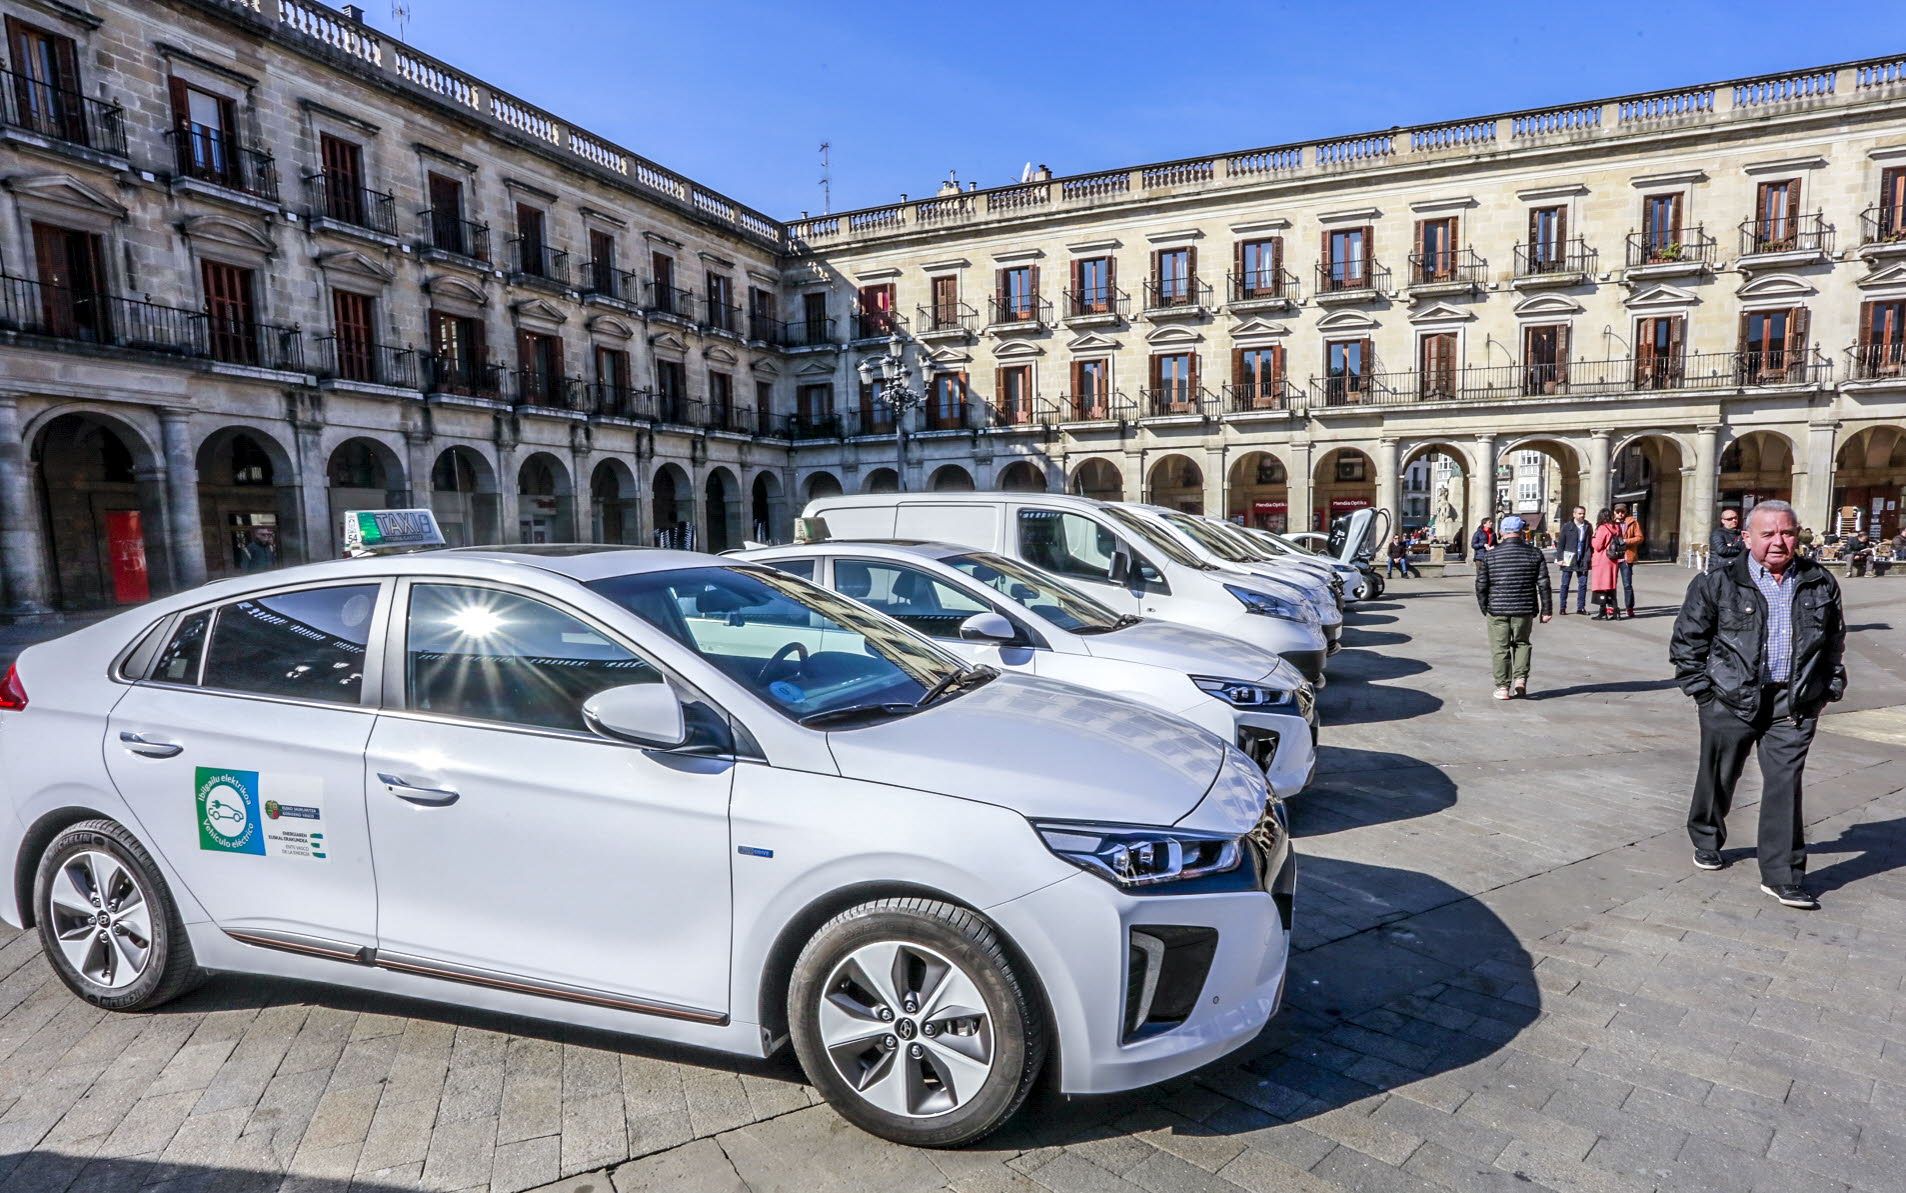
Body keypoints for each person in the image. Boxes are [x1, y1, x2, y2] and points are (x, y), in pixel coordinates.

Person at [1670, 500, 1846, 911]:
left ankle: (1782, 875)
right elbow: (1687, 642)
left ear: (1797, 534)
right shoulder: (1717, 583)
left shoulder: (1818, 581)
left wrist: (1829, 687)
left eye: (1786, 532)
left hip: (1794, 702)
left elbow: (1834, 640)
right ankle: (1707, 837)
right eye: (1767, 534)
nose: (1778, 542)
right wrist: (1703, 693)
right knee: (1719, 775)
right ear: (1746, 538)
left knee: (1786, 787)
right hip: (1730, 699)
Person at [1475, 514, 1553, 700]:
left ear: (1502, 532)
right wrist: (1547, 610)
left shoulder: (1490, 555)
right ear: (1521, 532)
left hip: (1497, 608)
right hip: (1524, 608)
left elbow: (1481, 585)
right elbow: (1543, 583)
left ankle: (1502, 687)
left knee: (1500, 648)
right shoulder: (1535, 553)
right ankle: (1520, 680)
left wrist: (1485, 607)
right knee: (1522, 643)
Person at [1554, 505, 1594, 614]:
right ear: (1574, 514)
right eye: (1580, 513)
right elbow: (1561, 544)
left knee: (1583, 584)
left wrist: (1589, 556)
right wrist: (1559, 558)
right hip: (1569, 558)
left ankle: (1580, 607)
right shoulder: (1567, 527)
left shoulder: (1587, 526)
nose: (1582, 515)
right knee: (1565, 584)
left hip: (1583, 558)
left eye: (1583, 513)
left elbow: (1590, 543)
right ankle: (1563, 607)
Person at [1589, 508, 1621, 620]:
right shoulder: (1616, 527)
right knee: (1611, 586)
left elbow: (1597, 546)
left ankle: (1602, 611)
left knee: (1601, 587)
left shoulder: (1602, 528)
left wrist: (1592, 538)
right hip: (1613, 560)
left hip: (1602, 560)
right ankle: (1615, 610)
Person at [1614, 503, 1643, 617]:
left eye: (1622, 512)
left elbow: (1640, 537)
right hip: (1613, 557)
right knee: (1612, 585)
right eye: (1618, 512)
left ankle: (1629, 607)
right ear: (1614, 512)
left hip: (1626, 557)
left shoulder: (1632, 522)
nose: (1620, 514)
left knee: (1627, 584)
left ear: (1626, 512)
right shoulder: (1610, 523)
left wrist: (1626, 541)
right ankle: (1611, 606)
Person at [1707, 508, 1744, 575]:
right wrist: (1739, 549)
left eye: (1736, 518)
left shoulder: (1740, 533)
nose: (1734, 520)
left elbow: (1746, 548)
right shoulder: (1717, 533)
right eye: (1730, 519)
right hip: (1719, 569)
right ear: (1723, 521)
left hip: (1734, 569)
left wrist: (1732, 546)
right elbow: (1722, 550)